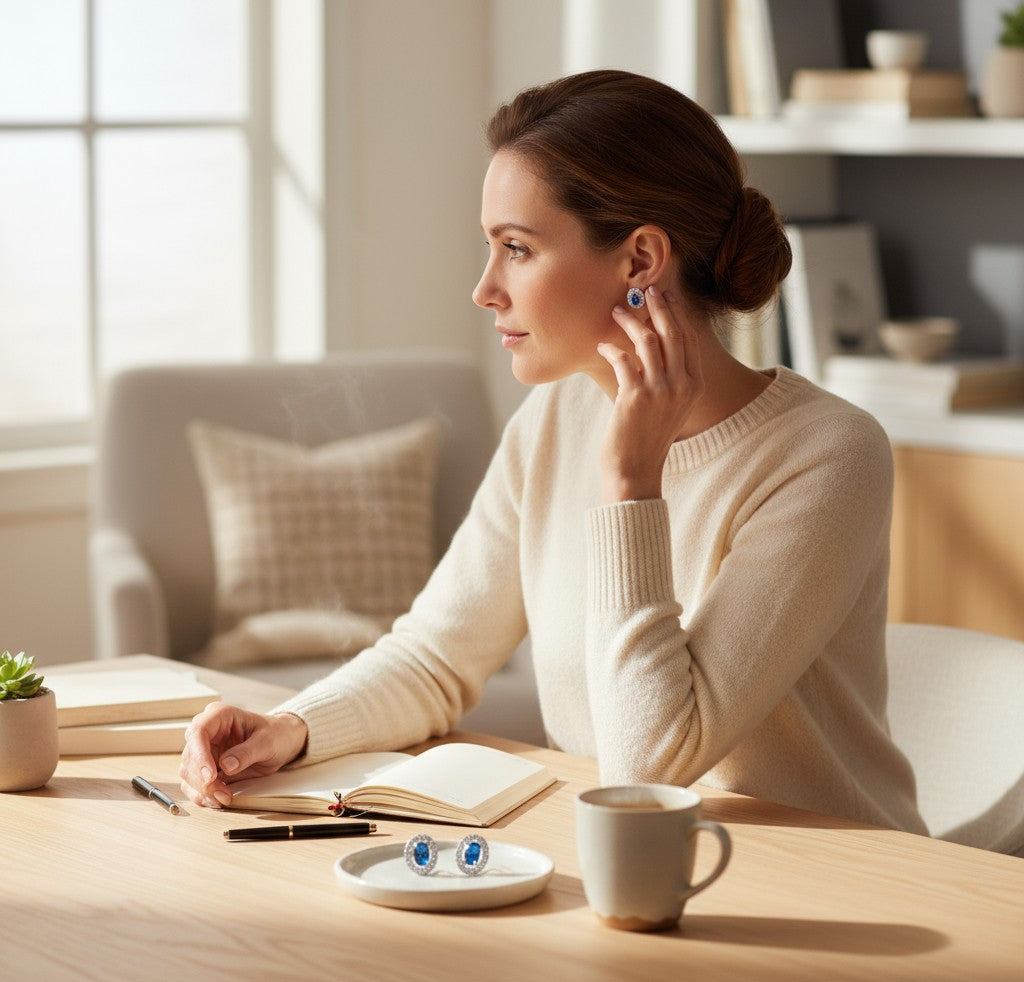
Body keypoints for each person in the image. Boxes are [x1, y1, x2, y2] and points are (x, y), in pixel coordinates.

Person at [179, 70, 926, 835]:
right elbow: (437, 655)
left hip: (831, 894)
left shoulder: (828, 455)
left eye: (516, 249)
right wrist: (290, 728)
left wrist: (631, 484)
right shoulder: (556, 416)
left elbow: (649, 762)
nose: (485, 289)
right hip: (632, 871)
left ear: (640, 262)